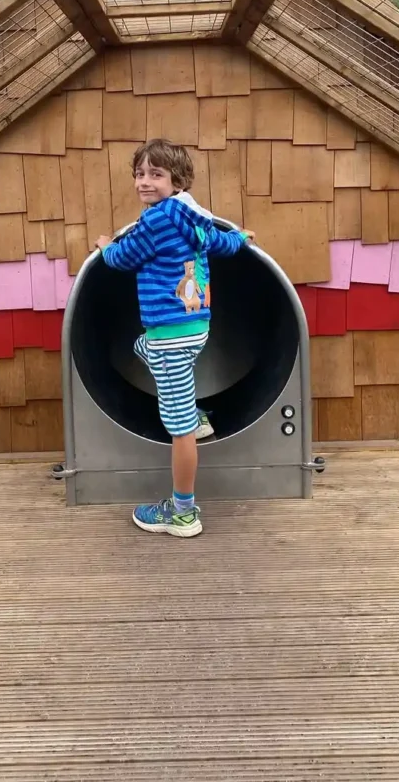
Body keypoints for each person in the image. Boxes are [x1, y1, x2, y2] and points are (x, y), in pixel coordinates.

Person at [95, 138, 254, 538]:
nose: (144, 182)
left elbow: (124, 258)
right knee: (143, 349)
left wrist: (103, 248)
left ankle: (182, 513)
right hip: (196, 329)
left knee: (178, 428)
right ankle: (190, 412)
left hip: (168, 336)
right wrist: (242, 239)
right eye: (140, 174)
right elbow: (222, 243)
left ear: (177, 179)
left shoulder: (156, 220)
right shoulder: (194, 216)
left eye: (156, 174)